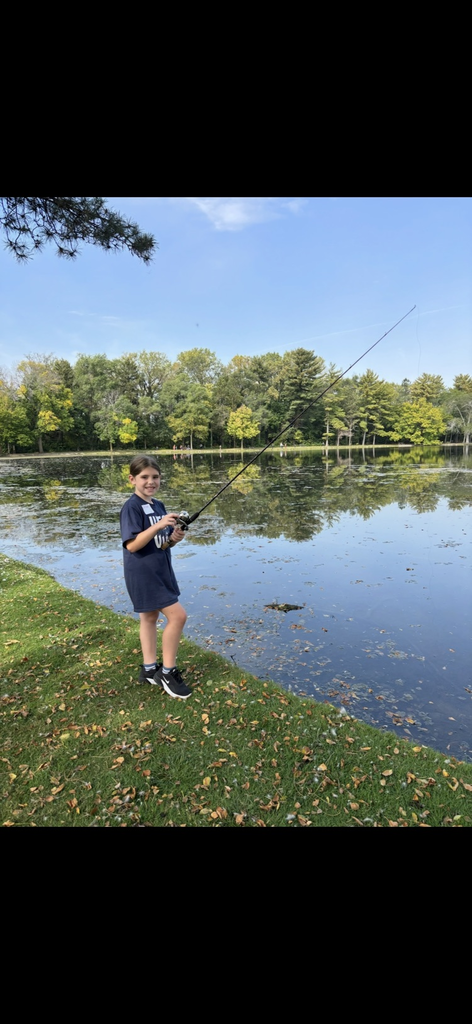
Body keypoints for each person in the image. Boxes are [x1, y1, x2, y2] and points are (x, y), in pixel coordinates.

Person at [119, 454, 192, 699]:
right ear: (132, 479)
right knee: (178, 616)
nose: (151, 482)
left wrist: (173, 538)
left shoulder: (158, 505)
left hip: (160, 569)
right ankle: (167, 673)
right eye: (144, 477)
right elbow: (132, 545)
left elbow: (161, 544)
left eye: (155, 477)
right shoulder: (131, 507)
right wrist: (159, 525)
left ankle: (149, 669)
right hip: (144, 573)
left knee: (149, 617)